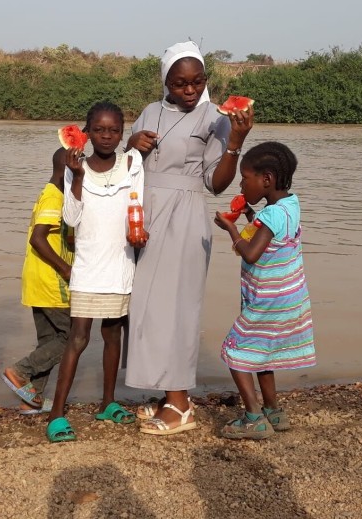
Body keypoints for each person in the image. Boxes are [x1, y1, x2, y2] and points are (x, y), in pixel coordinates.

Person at [125, 40, 253, 436]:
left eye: (197, 82)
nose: (190, 90)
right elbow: (128, 165)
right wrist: (133, 146)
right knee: (146, 306)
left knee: (176, 307)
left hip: (183, 216)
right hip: (145, 212)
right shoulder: (149, 111)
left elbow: (216, 183)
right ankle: (165, 393)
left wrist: (235, 143)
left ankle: (180, 406)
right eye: (181, 84)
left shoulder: (215, 117)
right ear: (166, 81)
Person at [45, 101, 146, 443]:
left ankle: (107, 402)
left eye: (114, 130)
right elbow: (71, 220)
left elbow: (138, 204)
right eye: (99, 130)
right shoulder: (76, 168)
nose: (106, 136)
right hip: (87, 266)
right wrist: (76, 179)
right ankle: (57, 414)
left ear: (122, 133)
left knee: (113, 335)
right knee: (78, 338)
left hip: (120, 265)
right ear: (85, 134)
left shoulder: (133, 163)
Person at [213, 141, 316, 439]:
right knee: (262, 353)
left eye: (245, 179)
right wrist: (247, 216)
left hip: (268, 300)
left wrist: (230, 229)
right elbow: (269, 237)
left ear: (267, 179)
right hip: (290, 298)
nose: (242, 185)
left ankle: (254, 418)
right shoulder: (289, 205)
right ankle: (274, 410)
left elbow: (251, 254)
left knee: (235, 351)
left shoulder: (270, 215)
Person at [1, 147, 75, 415]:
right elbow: (39, 238)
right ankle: (20, 371)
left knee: (48, 340)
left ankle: (32, 398)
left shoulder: (51, 193)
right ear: (69, 168)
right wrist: (65, 268)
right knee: (71, 337)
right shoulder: (54, 197)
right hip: (51, 280)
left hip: (36, 278)